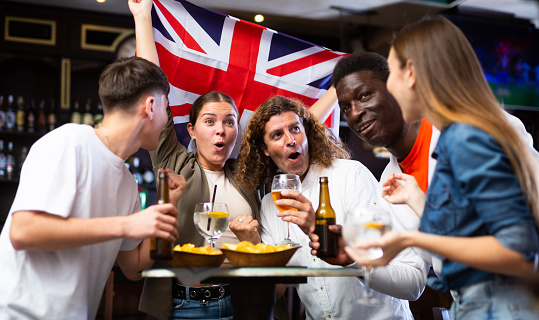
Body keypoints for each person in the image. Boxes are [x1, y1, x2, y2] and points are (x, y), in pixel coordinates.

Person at [348, 16, 539, 319]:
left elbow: (517, 253)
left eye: (391, 74)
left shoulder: (465, 135)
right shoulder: (460, 134)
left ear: (410, 73)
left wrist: (409, 239)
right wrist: (418, 200)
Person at [309, 51, 539, 276]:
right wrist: (353, 259)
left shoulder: (474, 128)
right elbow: (413, 276)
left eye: (365, 95)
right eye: (346, 107)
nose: (355, 113)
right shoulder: (390, 186)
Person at [0, 56, 181, 319]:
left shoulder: (128, 182)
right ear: (151, 107)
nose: (167, 121)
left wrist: (168, 204)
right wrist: (126, 225)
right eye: (167, 109)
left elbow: (132, 267)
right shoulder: (69, 141)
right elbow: (24, 231)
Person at [129, 1, 264, 319]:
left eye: (230, 122)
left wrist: (339, 82)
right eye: (210, 121)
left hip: (242, 304)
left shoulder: (249, 173)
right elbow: (151, 88)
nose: (221, 131)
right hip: (181, 305)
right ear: (191, 129)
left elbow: (296, 129)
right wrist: (142, 16)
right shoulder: (173, 161)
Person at [237, 95, 429, 319]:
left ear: (306, 133)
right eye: (277, 135)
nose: (290, 140)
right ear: (265, 149)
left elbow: (412, 285)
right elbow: (276, 289)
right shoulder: (271, 205)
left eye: (295, 129)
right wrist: (251, 246)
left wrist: (325, 235)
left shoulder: (351, 175)